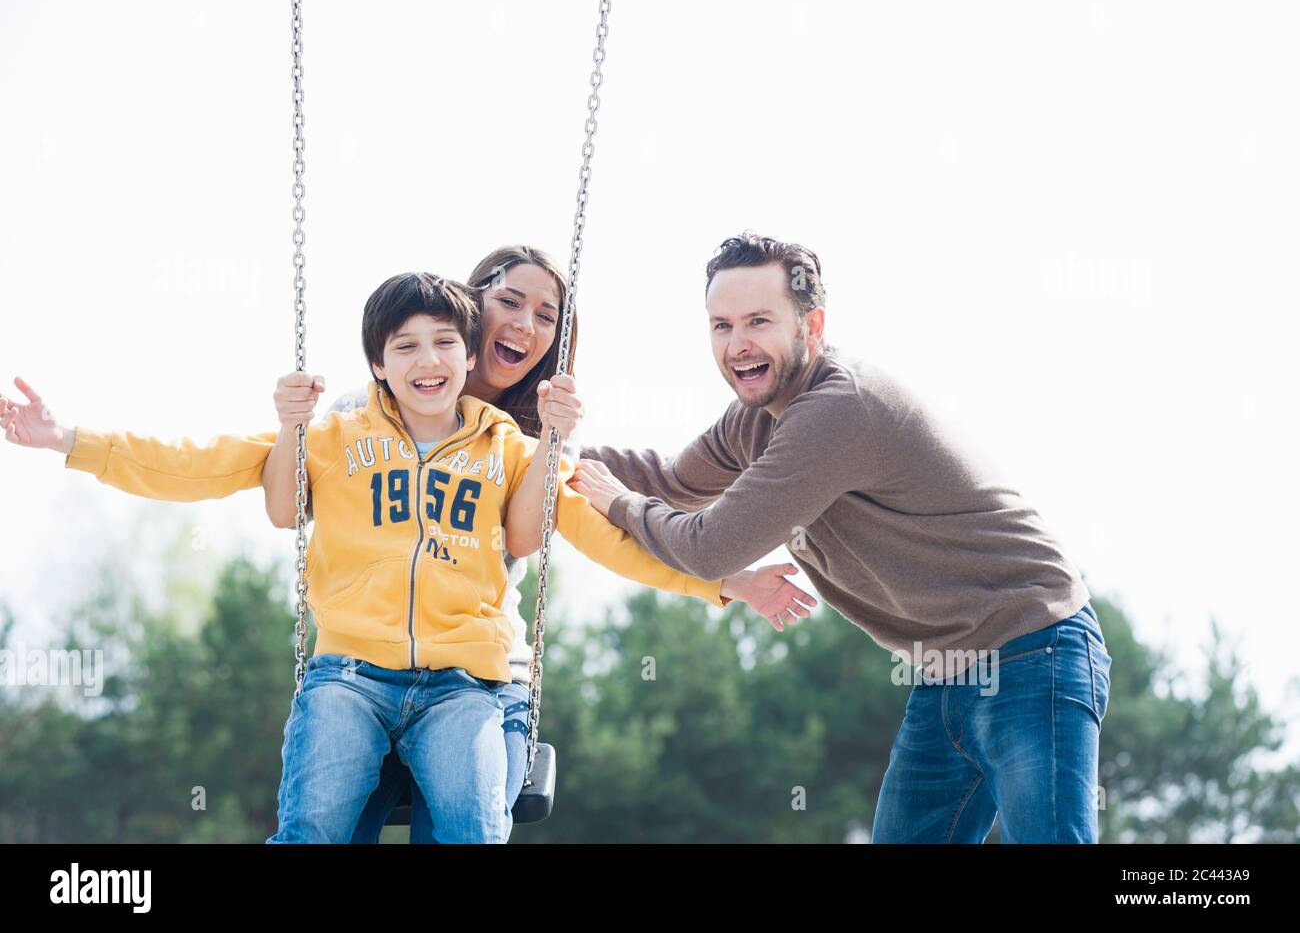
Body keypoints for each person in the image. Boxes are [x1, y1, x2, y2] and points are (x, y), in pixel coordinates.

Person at [1, 266, 811, 843]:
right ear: (379, 363)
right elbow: (197, 460)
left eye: (442, 345)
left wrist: (729, 583)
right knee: (314, 823)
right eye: (406, 348)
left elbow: (603, 534)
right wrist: (67, 438)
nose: (429, 361)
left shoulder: (515, 448)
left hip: (468, 680)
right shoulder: (335, 432)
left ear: (467, 351)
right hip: (350, 672)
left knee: (469, 825)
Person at [569, 231, 1113, 843]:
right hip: (943, 671)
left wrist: (617, 504)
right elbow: (671, 481)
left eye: (758, 321)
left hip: (1033, 646)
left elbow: (708, 547)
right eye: (721, 326)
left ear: (812, 324)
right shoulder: (754, 419)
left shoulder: (836, 409)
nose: (737, 344)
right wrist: (542, 456)